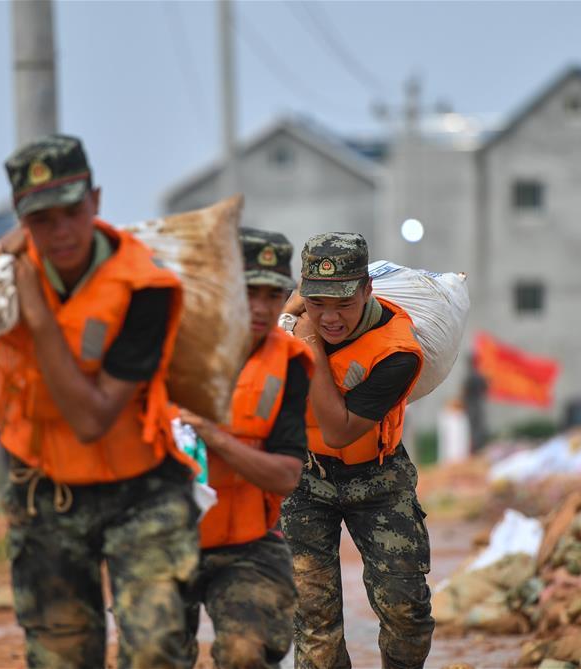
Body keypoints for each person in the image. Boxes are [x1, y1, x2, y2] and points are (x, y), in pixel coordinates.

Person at [0, 134, 200, 669]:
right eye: (42, 219)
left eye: (71, 212)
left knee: (157, 647)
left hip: (142, 488)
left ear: (95, 200)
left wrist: (41, 322)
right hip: (46, 489)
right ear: (22, 220)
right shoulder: (5, 268)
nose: (61, 231)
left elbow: (92, 419)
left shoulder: (144, 286)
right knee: (62, 655)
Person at [281, 232, 435, 669]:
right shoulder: (290, 318)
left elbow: (339, 431)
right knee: (313, 619)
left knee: (407, 612)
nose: (330, 318)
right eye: (318, 303)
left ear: (367, 289)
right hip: (305, 479)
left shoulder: (397, 351)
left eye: (343, 304)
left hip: (378, 479)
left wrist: (308, 341)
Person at [178, 228, 314, 669]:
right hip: (163, 540)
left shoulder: (288, 364)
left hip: (246, 541)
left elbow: (286, 476)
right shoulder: (164, 348)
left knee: (245, 653)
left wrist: (213, 436)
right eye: (247, 292)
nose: (260, 307)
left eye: (273, 294)